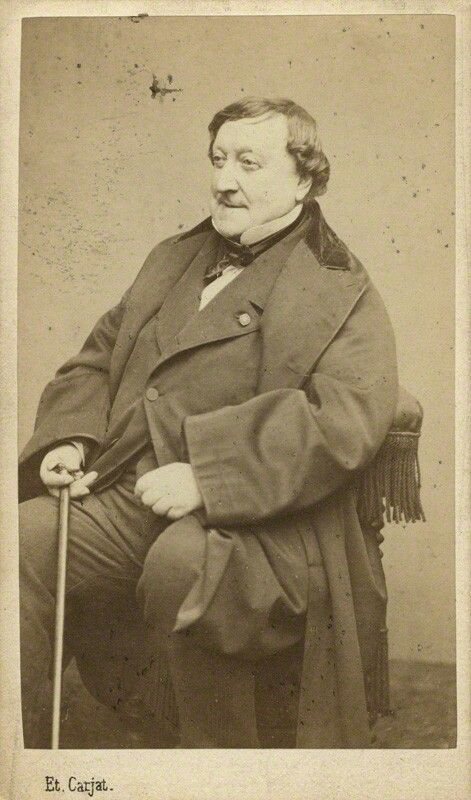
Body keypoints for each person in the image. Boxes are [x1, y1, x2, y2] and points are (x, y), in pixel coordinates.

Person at [19, 96, 398, 748]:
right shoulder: (175, 257)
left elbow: (345, 421)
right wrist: (71, 437)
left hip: (265, 517)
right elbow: (100, 356)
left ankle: (209, 769)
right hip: (132, 487)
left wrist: (207, 477)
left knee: (183, 568)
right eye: (218, 159)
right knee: (23, 539)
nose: (224, 180)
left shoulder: (340, 286)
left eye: (249, 163)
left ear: (304, 179)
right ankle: (17, 762)